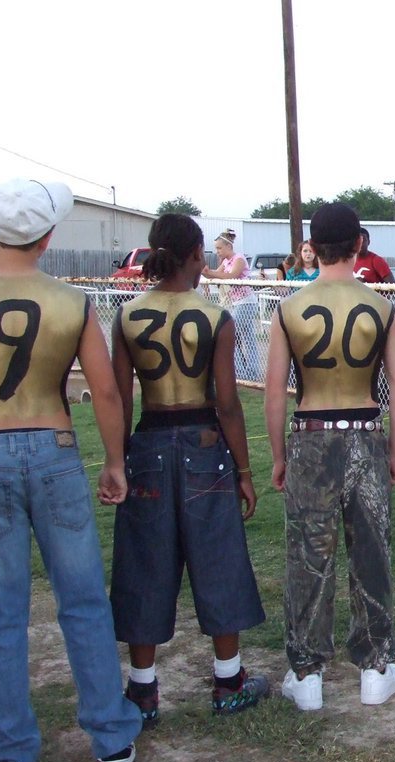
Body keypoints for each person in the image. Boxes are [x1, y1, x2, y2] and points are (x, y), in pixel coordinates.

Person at [0, 179, 142, 762]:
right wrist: (115, 461)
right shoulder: (71, 302)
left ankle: (5, 755)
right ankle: (110, 735)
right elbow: (104, 391)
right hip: (54, 451)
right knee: (82, 598)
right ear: (48, 236)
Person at [110, 213, 269, 727]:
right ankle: (228, 680)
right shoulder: (213, 316)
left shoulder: (128, 315)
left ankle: (142, 691)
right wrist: (243, 469)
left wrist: (117, 459)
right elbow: (227, 403)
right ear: (196, 254)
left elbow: (117, 396)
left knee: (144, 563)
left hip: (149, 443)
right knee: (218, 556)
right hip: (204, 445)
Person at [266, 202, 395, 711]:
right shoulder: (381, 306)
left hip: (310, 434)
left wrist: (279, 455)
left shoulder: (288, 309)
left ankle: (306, 674)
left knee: (309, 555)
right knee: (371, 551)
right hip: (365, 432)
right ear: (358, 245)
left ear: (313, 245)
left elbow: (275, 392)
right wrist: (392, 450)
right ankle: (375, 666)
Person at [202, 229, 259, 382]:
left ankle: (242, 372)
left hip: (246, 303)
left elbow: (231, 276)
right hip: (236, 303)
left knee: (231, 335)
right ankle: (250, 372)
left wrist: (211, 273)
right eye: (216, 248)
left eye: (219, 248)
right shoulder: (225, 261)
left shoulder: (238, 259)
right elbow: (215, 274)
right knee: (247, 337)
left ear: (228, 246)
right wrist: (205, 271)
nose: (217, 251)